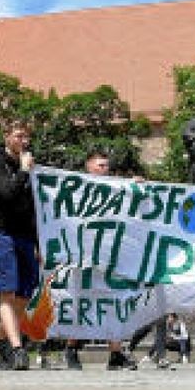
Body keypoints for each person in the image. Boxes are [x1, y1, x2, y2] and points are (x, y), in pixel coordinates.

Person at [64, 151, 139, 371]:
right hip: (84, 256)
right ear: (88, 166)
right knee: (81, 304)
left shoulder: (114, 188)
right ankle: (71, 348)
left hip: (109, 256)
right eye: (100, 165)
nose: (104, 169)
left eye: (106, 165)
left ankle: (115, 354)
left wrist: (135, 186)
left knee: (112, 303)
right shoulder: (79, 189)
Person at [0, 120, 39, 370]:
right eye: (18, 136)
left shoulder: (28, 166)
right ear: (6, 136)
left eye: (26, 137)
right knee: (7, 291)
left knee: (25, 293)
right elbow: (7, 194)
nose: (23, 142)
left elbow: (35, 207)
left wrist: (38, 242)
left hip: (24, 236)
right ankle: (16, 348)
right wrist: (23, 172)